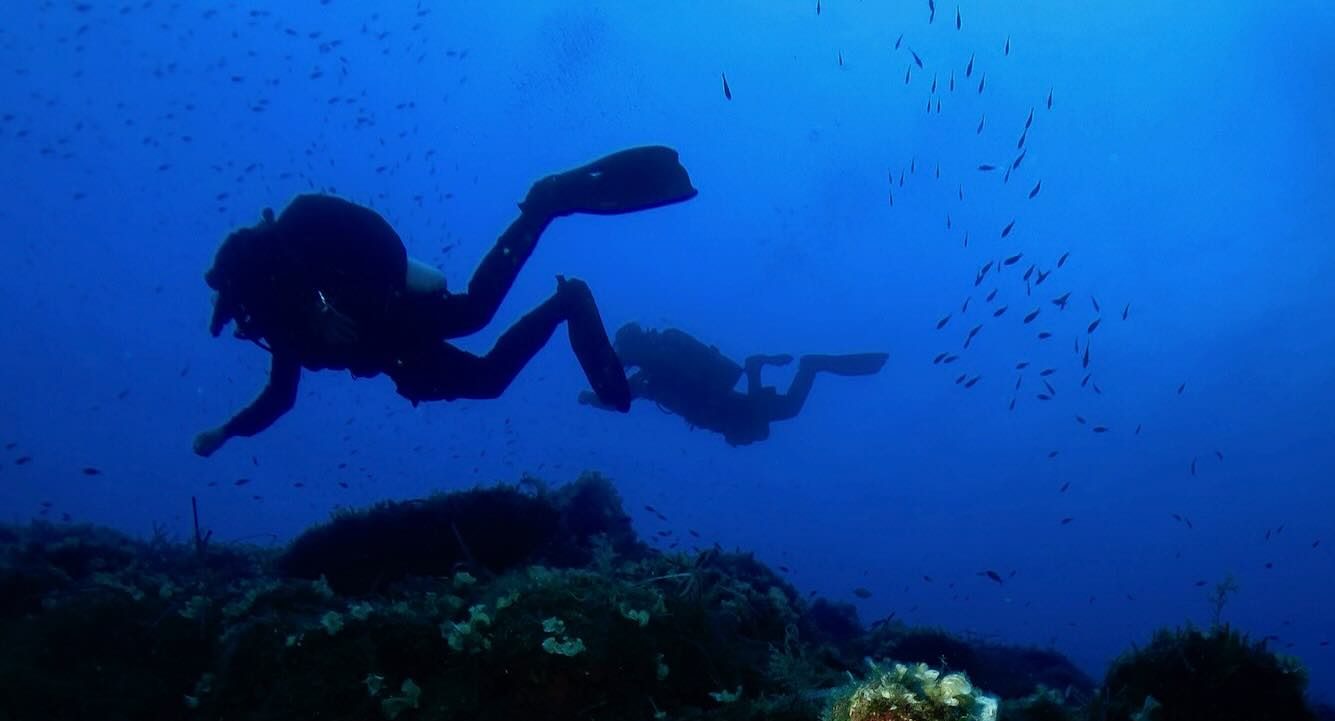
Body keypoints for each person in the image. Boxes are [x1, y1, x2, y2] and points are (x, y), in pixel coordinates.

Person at [193, 147, 697, 456]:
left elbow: (373, 245)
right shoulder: (283, 322)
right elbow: (280, 398)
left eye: (244, 312)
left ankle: (545, 205)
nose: (248, 325)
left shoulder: (297, 263)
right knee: (489, 380)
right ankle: (568, 302)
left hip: (397, 312)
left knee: (476, 313)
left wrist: (327, 304)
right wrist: (227, 431)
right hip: (396, 355)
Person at [580, 323, 888, 446]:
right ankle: (799, 366)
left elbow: (619, 398)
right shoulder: (652, 373)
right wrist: (593, 397)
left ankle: (805, 365)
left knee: (785, 411)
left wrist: (591, 397)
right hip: (723, 406)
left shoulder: (652, 373)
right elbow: (621, 398)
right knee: (783, 411)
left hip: (724, 408)